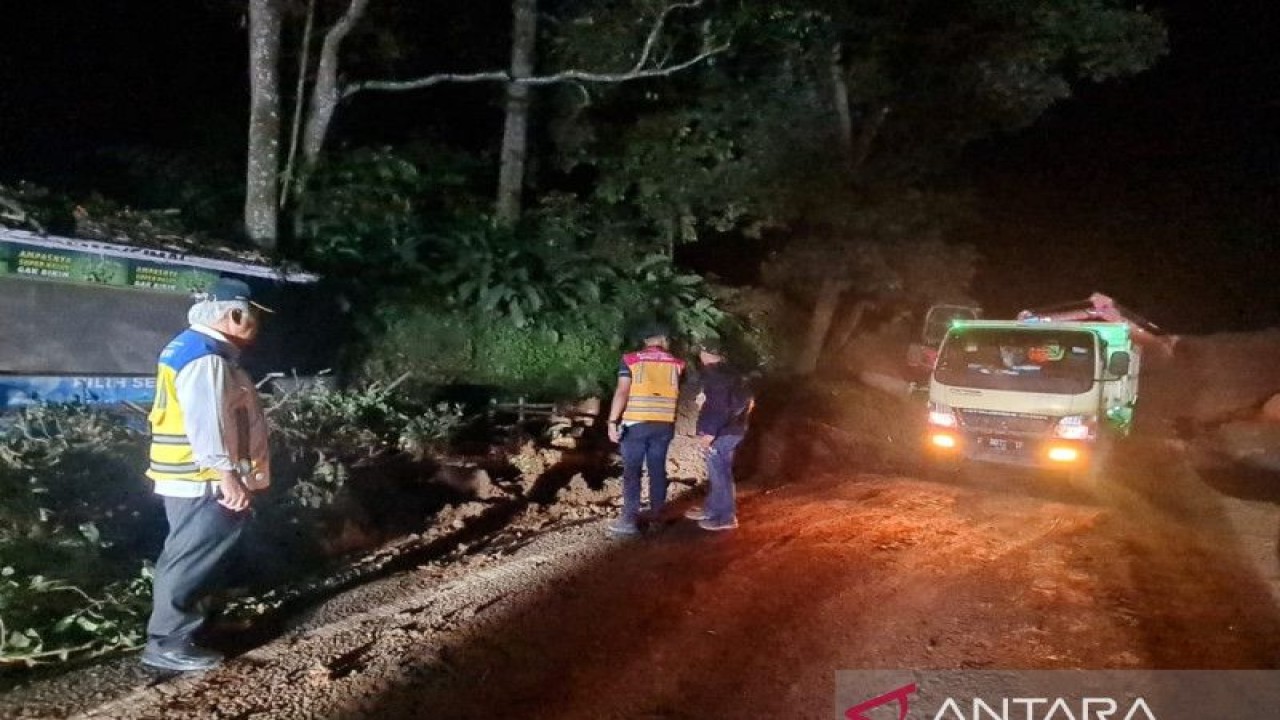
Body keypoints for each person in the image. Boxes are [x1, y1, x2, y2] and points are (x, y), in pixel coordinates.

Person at [140, 277, 272, 672]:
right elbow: (208, 422)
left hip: (194, 475)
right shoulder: (206, 358)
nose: (257, 326)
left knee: (201, 554)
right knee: (190, 557)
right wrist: (226, 476)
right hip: (202, 479)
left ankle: (194, 630)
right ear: (233, 314)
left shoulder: (191, 348)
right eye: (254, 317)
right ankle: (168, 641)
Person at [605, 325, 686, 536]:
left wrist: (612, 421)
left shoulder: (631, 359)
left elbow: (622, 391)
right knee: (657, 470)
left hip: (636, 424)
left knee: (632, 472)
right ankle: (657, 517)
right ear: (664, 340)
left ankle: (629, 520)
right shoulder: (677, 364)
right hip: (664, 424)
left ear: (645, 341)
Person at [685, 340, 753, 531]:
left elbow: (718, 407)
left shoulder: (715, 376)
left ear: (704, 355)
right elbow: (746, 401)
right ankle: (713, 508)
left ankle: (725, 517)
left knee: (719, 473)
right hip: (734, 429)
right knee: (720, 471)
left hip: (721, 432)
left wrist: (708, 432)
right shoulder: (733, 373)